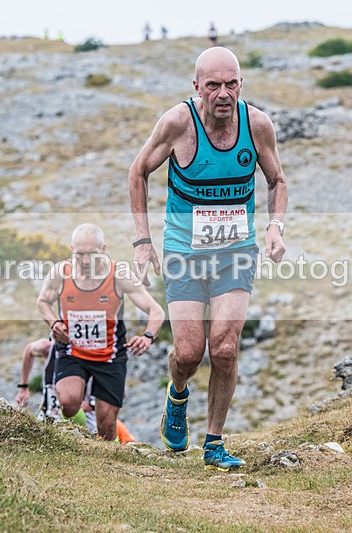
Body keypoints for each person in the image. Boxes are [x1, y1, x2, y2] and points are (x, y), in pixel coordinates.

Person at [128, 47, 288, 470]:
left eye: (230, 84)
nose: (222, 93)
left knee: (224, 349)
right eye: (213, 84)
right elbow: (138, 170)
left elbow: (278, 180)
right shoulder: (179, 123)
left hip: (235, 252)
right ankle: (177, 395)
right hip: (185, 251)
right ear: (196, 86)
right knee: (188, 353)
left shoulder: (257, 126)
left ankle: (214, 443)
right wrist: (143, 241)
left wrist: (275, 227)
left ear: (241, 84)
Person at [37, 223, 165, 441]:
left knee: (106, 424)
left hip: (110, 356)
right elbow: (43, 302)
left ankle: (104, 460)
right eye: (80, 254)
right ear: (71, 250)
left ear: (103, 250)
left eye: (92, 254)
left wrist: (147, 336)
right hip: (72, 350)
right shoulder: (60, 273)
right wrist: (54, 322)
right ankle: (76, 436)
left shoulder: (119, 274)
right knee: (68, 402)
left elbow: (156, 310)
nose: (86, 261)